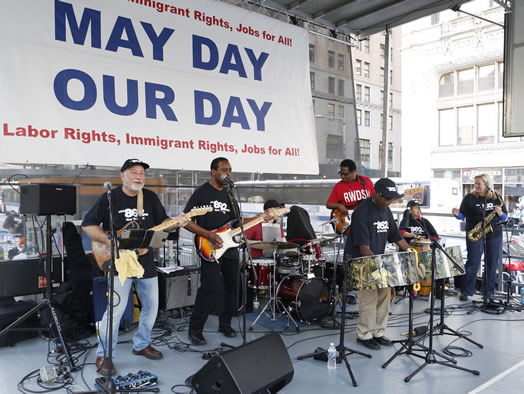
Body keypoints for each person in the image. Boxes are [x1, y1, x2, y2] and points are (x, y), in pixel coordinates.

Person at [82, 159, 190, 376]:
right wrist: (109, 241)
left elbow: (163, 222)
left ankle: (141, 344)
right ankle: (104, 354)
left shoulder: (149, 197)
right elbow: (88, 225)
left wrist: (178, 223)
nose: (139, 176)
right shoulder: (109, 198)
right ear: (122, 176)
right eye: (134, 173)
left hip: (145, 262)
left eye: (142, 173)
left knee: (151, 307)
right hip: (119, 264)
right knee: (115, 311)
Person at [183, 157, 273, 345]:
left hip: (230, 247)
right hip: (210, 247)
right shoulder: (201, 193)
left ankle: (225, 324)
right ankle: (195, 329)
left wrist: (259, 218)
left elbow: (237, 222)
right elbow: (185, 221)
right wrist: (208, 235)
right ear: (213, 171)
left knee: (234, 286)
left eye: (230, 170)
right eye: (224, 170)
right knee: (210, 288)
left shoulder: (230, 194)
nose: (228, 174)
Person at [350, 178, 410, 350]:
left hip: (379, 262)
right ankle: (364, 334)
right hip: (363, 262)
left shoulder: (386, 210)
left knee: (384, 296)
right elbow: (364, 248)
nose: (389, 201)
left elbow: (396, 236)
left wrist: (410, 251)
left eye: (392, 199)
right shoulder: (362, 212)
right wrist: (379, 268)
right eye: (387, 198)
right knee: (369, 299)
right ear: (376, 194)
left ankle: (378, 332)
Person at [452, 174, 507, 301]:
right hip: (475, 232)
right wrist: (456, 214)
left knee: (491, 263)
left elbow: (505, 218)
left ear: (487, 184)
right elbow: (462, 216)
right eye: (475, 183)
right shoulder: (469, 198)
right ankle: (466, 291)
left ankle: (488, 292)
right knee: (473, 261)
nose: (476, 186)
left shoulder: (496, 197)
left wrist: (500, 213)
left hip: (494, 233)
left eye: (479, 184)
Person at [326, 159, 374, 259]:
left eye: (346, 174)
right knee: (351, 259)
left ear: (353, 172)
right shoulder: (339, 186)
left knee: (369, 257)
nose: (343, 176)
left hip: (368, 227)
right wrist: (339, 206)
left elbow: (375, 199)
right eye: (341, 174)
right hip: (349, 229)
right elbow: (328, 204)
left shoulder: (366, 181)